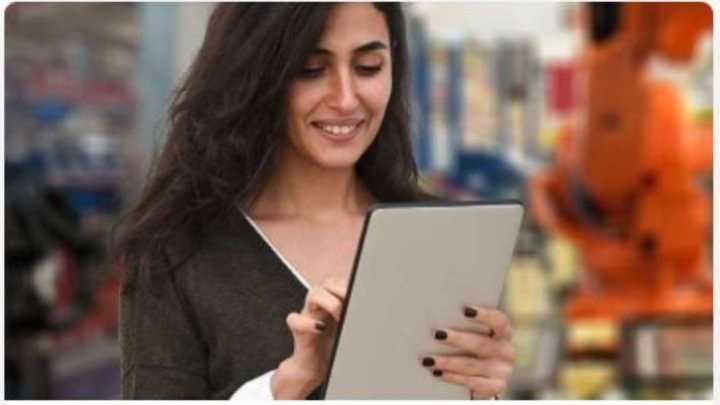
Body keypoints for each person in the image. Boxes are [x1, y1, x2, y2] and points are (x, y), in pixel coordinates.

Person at [114, 3, 515, 400]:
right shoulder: (174, 254)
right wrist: (288, 384)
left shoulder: (443, 238)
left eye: (368, 67)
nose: (345, 98)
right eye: (311, 69)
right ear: (256, 74)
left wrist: (483, 392)